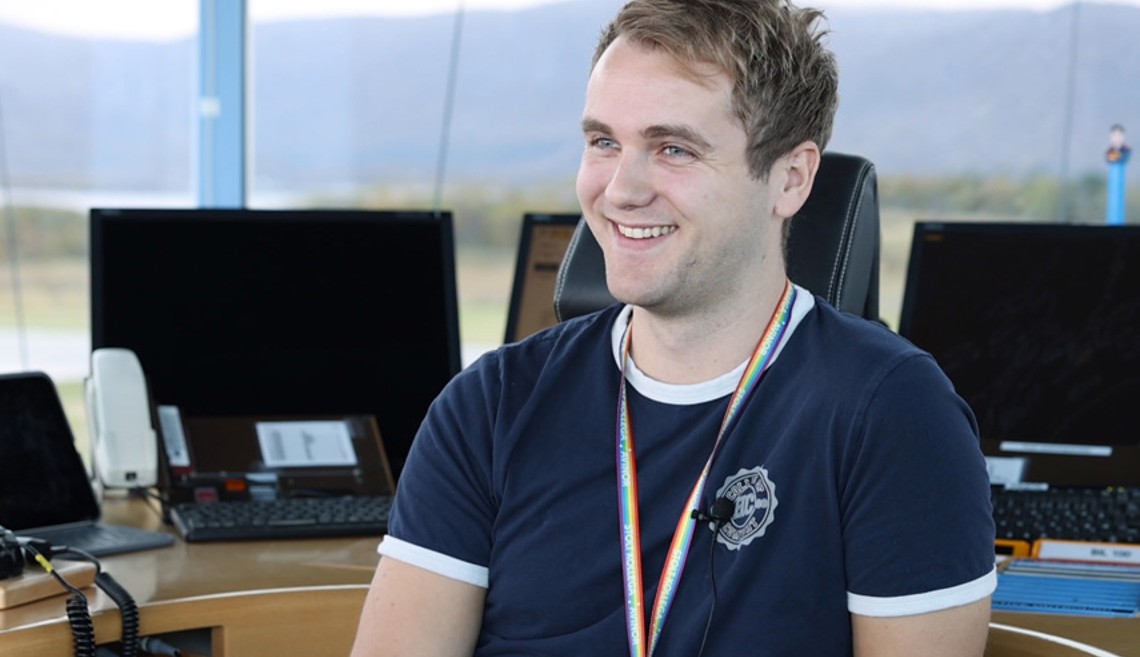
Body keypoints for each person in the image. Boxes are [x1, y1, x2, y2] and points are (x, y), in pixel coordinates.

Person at [351, 0, 997, 655]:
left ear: (791, 179)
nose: (621, 189)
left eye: (673, 148)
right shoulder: (488, 405)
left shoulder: (892, 412)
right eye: (604, 141)